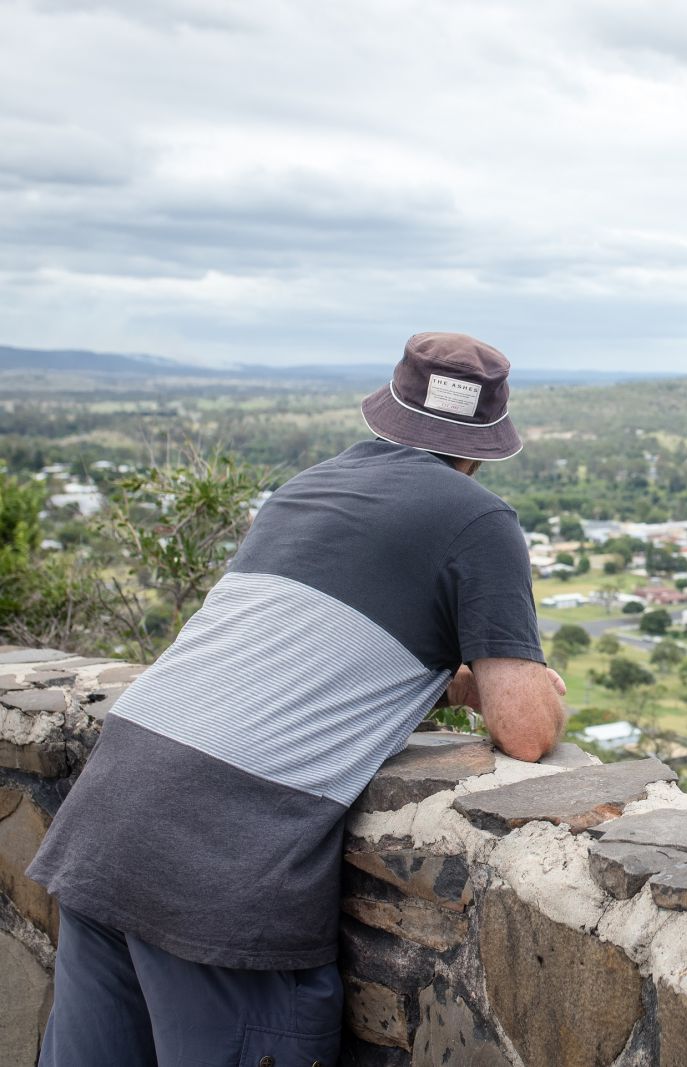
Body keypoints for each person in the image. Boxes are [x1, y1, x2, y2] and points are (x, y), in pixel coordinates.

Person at [28, 332, 567, 1066]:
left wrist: (455, 682)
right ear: (482, 447)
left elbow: (310, 652)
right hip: (220, 865)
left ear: (394, 411)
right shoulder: (480, 520)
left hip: (109, 818)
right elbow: (528, 730)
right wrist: (532, 689)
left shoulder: (306, 489)